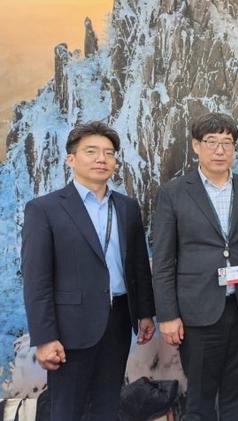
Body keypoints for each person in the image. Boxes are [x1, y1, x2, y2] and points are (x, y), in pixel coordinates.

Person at [21, 121, 156, 421]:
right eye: (91, 151)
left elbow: (137, 265)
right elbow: (36, 279)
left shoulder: (126, 207)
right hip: (70, 329)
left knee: (108, 407)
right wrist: (44, 337)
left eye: (109, 153)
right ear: (71, 159)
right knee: (66, 410)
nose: (101, 159)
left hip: (118, 320)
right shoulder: (45, 209)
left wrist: (145, 312)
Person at [152, 113, 238, 421]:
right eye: (212, 143)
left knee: (237, 393)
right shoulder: (174, 192)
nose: (220, 150)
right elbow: (164, 259)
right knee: (201, 398)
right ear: (196, 146)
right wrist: (167, 315)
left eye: (227, 143)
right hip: (198, 312)